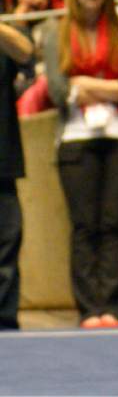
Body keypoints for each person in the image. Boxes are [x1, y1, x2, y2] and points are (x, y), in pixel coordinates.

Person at [43, 0, 118, 327]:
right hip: (75, 138)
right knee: (85, 226)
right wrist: (109, 87)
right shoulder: (57, 33)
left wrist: (85, 85)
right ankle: (90, 307)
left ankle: (113, 307)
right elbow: (57, 90)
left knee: (115, 223)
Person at [0, 20, 33, 329]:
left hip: (3, 159)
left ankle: (5, 323)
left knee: (7, 240)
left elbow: (26, 53)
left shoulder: (7, 35)